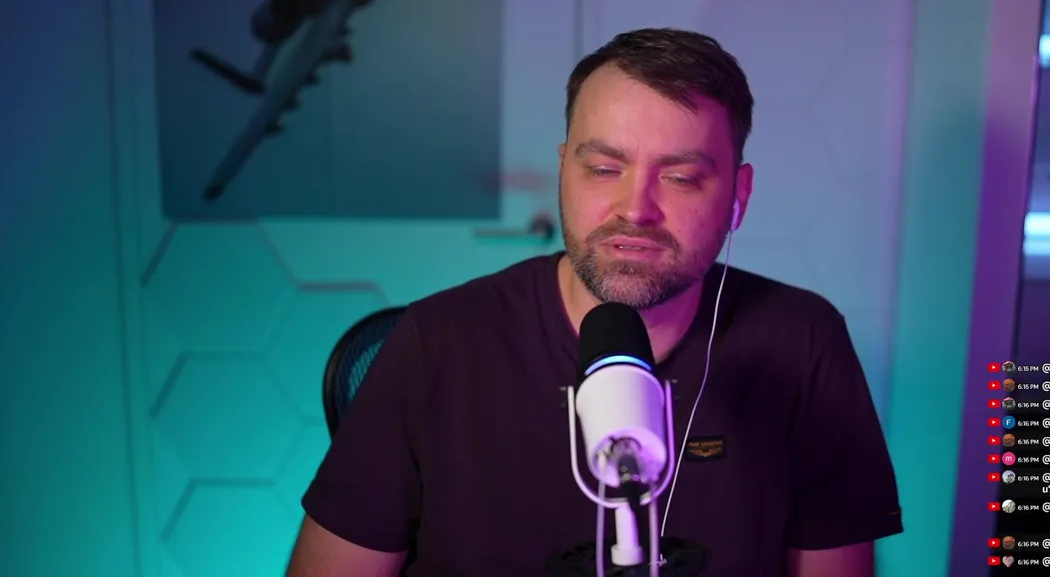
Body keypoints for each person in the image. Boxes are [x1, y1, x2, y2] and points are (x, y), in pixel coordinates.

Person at [285, 28, 902, 576]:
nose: (635, 209)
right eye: (605, 169)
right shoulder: (438, 342)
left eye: (681, 177)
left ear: (738, 195)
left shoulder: (803, 344)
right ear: (564, 171)